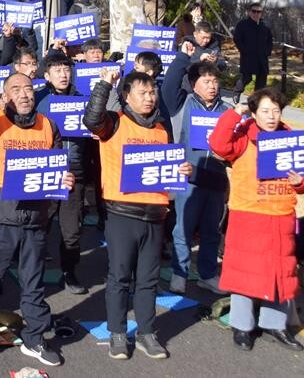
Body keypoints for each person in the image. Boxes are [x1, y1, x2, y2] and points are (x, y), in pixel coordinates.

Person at [0, 74, 73, 368]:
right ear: (6, 96)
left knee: (34, 284)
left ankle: (34, 337)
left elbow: (57, 164)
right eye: (16, 90)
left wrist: (65, 178)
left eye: (28, 89)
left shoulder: (48, 125)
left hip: (34, 218)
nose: (24, 95)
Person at [83, 70, 193, 361]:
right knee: (119, 277)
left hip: (155, 214)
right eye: (142, 93)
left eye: (152, 92)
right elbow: (92, 119)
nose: (149, 97)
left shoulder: (159, 128)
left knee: (148, 279)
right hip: (121, 213)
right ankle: (117, 333)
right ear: (127, 96)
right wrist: (105, 83)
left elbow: (167, 168)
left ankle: (147, 332)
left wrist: (181, 170)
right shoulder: (114, 123)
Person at [208, 88, 304, 352]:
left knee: (279, 273)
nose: (271, 116)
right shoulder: (244, 136)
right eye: (265, 110)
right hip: (248, 216)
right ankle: (242, 326)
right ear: (254, 113)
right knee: (244, 275)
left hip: (280, 217)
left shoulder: (291, 139)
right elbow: (219, 145)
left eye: (276, 110)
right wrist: (233, 114)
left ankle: (275, 324)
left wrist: (301, 182)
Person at [162, 43, 232, 294]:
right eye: (206, 81)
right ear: (194, 85)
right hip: (187, 178)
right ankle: (179, 273)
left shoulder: (227, 111)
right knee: (183, 229)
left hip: (215, 178)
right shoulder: (183, 104)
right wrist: (184, 56)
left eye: (214, 80)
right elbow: (169, 84)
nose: (212, 85)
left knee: (211, 231)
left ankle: (207, 274)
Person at [35, 52, 91, 294]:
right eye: (57, 70)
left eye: (66, 69)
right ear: (47, 75)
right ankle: (33, 271)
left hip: (75, 170)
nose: (63, 74)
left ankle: (69, 271)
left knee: (72, 229)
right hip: (47, 169)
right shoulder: (40, 101)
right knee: (39, 225)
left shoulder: (82, 100)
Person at [233, 3, 272, 93]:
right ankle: (237, 91)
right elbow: (237, 39)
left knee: (261, 81)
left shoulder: (265, 25)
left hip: (262, 57)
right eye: (254, 11)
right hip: (248, 56)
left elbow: (269, 40)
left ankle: (257, 101)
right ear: (249, 12)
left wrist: (267, 51)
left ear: (261, 13)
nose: (256, 14)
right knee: (246, 78)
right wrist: (243, 50)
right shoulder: (242, 24)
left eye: (259, 12)